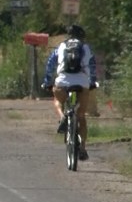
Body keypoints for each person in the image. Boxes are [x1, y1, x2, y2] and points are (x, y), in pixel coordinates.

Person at [42, 24, 97, 160]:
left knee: (57, 99)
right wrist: (92, 82)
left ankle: (62, 117)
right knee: (81, 116)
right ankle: (83, 148)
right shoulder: (85, 47)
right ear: (81, 36)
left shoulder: (61, 47)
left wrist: (48, 82)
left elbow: (50, 64)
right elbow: (92, 66)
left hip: (63, 81)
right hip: (82, 82)